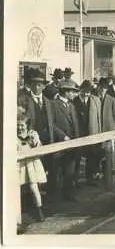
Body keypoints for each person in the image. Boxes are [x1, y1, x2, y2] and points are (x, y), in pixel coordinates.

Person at [17, 68, 61, 197]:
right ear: (30, 85)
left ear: (43, 86)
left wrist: (63, 136)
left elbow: (53, 124)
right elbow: (20, 121)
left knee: (50, 168)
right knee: (32, 171)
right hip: (31, 142)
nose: (37, 87)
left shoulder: (48, 102)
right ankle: (33, 200)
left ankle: (51, 197)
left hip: (48, 140)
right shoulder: (23, 100)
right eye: (34, 84)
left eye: (39, 84)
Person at [17, 108, 47, 231]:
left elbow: (39, 148)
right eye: (18, 125)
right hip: (19, 165)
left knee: (33, 188)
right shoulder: (14, 136)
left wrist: (33, 142)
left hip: (31, 163)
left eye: (22, 125)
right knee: (17, 190)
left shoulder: (33, 134)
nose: (20, 128)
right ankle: (17, 217)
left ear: (27, 125)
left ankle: (39, 210)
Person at [52, 80, 81, 201]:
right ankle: (54, 196)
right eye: (73, 92)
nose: (74, 94)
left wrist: (77, 141)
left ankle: (68, 194)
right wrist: (63, 136)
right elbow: (51, 124)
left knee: (70, 170)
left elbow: (75, 125)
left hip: (73, 144)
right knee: (57, 170)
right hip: (60, 143)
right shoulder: (54, 104)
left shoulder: (72, 106)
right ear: (66, 92)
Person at [73, 80, 102, 186]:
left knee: (91, 156)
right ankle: (74, 180)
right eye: (84, 91)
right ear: (80, 90)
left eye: (88, 92)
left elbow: (99, 118)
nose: (86, 94)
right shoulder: (74, 101)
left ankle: (89, 178)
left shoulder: (94, 100)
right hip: (78, 134)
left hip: (91, 133)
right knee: (77, 157)